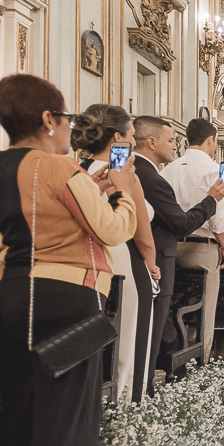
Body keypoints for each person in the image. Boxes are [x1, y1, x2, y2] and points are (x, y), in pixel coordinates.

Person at [0, 73, 138, 446]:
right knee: (65, 434)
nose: (70, 127)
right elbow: (112, 229)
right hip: (66, 301)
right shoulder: (56, 167)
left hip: (8, 294)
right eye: (66, 118)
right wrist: (125, 190)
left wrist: (83, 189)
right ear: (48, 120)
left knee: (20, 426)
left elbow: (6, 232)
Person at [130, 116, 224, 399]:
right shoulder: (208, 168)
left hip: (171, 249)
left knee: (165, 312)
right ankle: (200, 363)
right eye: (170, 140)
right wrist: (223, 238)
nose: (174, 144)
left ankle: (168, 357)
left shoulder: (167, 170)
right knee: (188, 310)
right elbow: (207, 219)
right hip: (181, 247)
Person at [72, 104, 159, 401]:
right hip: (123, 257)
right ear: (118, 137)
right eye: (132, 135)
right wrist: (151, 263)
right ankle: (127, 403)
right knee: (131, 336)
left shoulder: (78, 171)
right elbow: (142, 234)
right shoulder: (125, 175)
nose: (134, 141)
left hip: (87, 261)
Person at [160, 118, 224, 364]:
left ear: (186, 139)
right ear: (211, 140)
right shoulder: (215, 170)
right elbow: (218, 218)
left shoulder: (168, 168)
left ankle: (175, 350)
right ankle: (202, 358)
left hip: (169, 246)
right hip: (202, 247)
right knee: (206, 308)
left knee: (171, 305)